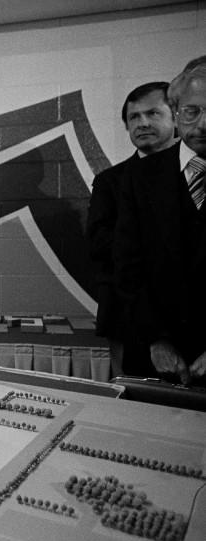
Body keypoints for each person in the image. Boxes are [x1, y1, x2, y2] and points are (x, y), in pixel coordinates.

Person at [115, 57, 206, 385]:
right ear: (178, 112)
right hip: (156, 355)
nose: (202, 124)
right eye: (192, 111)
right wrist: (156, 338)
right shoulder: (139, 176)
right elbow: (127, 266)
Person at [86, 82, 177, 376]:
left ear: (175, 116)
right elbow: (100, 244)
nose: (143, 123)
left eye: (153, 113)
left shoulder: (197, 173)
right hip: (126, 315)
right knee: (133, 400)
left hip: (191, 316)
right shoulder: (110, 181)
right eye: (134, 117)